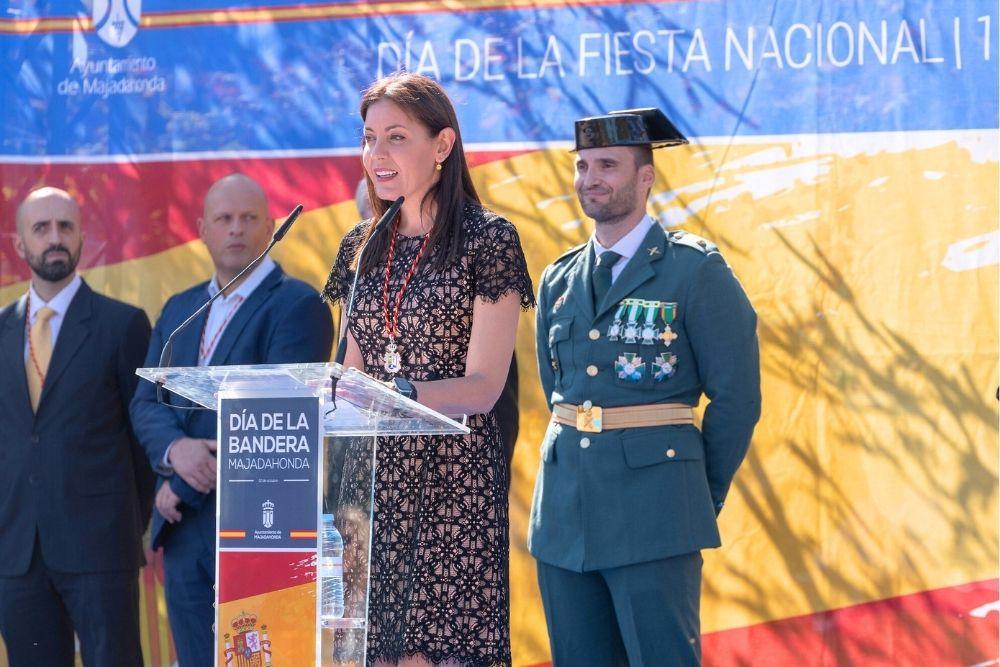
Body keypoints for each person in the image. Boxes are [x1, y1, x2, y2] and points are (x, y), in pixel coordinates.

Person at [529, 108, 761, 666]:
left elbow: (738, 400)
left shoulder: (694, 271)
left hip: (655, 514)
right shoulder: (558, 279)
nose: (591, 179)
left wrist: (693, 494)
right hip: (564, 517)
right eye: (583, 166)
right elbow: (556, 390)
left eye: (608, 165)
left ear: (645, 177)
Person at [323, 72, 534, 666]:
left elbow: (485, 387)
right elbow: (348, 377)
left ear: (442, 146)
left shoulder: (487, 240)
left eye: (396, 138)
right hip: (371, 483)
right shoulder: (360, 246)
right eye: (368, 139)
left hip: (453, 484)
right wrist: (331, 395)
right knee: (371, 654)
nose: (377, 155)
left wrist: (401, 394)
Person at [130, 173, 335, 667]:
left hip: (257, 532)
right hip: (184, 536)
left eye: (249, 219)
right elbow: (146, 401)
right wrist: (174, 453)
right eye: (224, 219)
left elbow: (274, 418)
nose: (236, 230)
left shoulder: (298, 306)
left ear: (270, 227)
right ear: (202, 228)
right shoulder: (179, 309)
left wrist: (184, 484)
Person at [0, 187, 154, 666]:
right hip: (17, 552)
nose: (55, 238)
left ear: (83, 236)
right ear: (20, 244)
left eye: (66, 227)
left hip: (101, 550)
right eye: (41, 229)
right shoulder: (1, 330)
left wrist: (126, 527)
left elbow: (143, 439)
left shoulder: (122, 325)